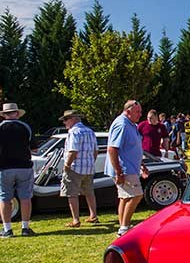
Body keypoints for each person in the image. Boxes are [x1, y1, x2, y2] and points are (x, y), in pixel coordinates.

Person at [105, 100, 148, 237]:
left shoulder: (131, 125)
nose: (140, 114)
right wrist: (119, 171)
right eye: (137, 112)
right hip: (125, 169)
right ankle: (124, 228)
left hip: (130, 167)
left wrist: (142, 165)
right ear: (128, 111)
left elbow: (133, 148)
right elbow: (112, 149)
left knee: (124, 197)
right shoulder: (122, 124)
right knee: (136, 195)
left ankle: (123, 226)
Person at [0, 102, 36, 238]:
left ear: (4, 115)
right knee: (26, 197)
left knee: (4, 197)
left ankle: (7, 229)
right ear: (17, 114)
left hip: (4, 167)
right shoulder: (25, 127)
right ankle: (25, 227)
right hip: (24, 166)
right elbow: (34, 148)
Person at [59, 110, 99, 227]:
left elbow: (73, 151)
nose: (64, 123)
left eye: (66, 120)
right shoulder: (90, 131)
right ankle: (93, 215)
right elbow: (95, 151)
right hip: (89, 167)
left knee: (72, 193)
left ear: (73, 119)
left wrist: (67, 165)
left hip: (75, 167)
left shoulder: (74, 132)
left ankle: (75, 220)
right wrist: (90, 161)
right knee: (89, 192)